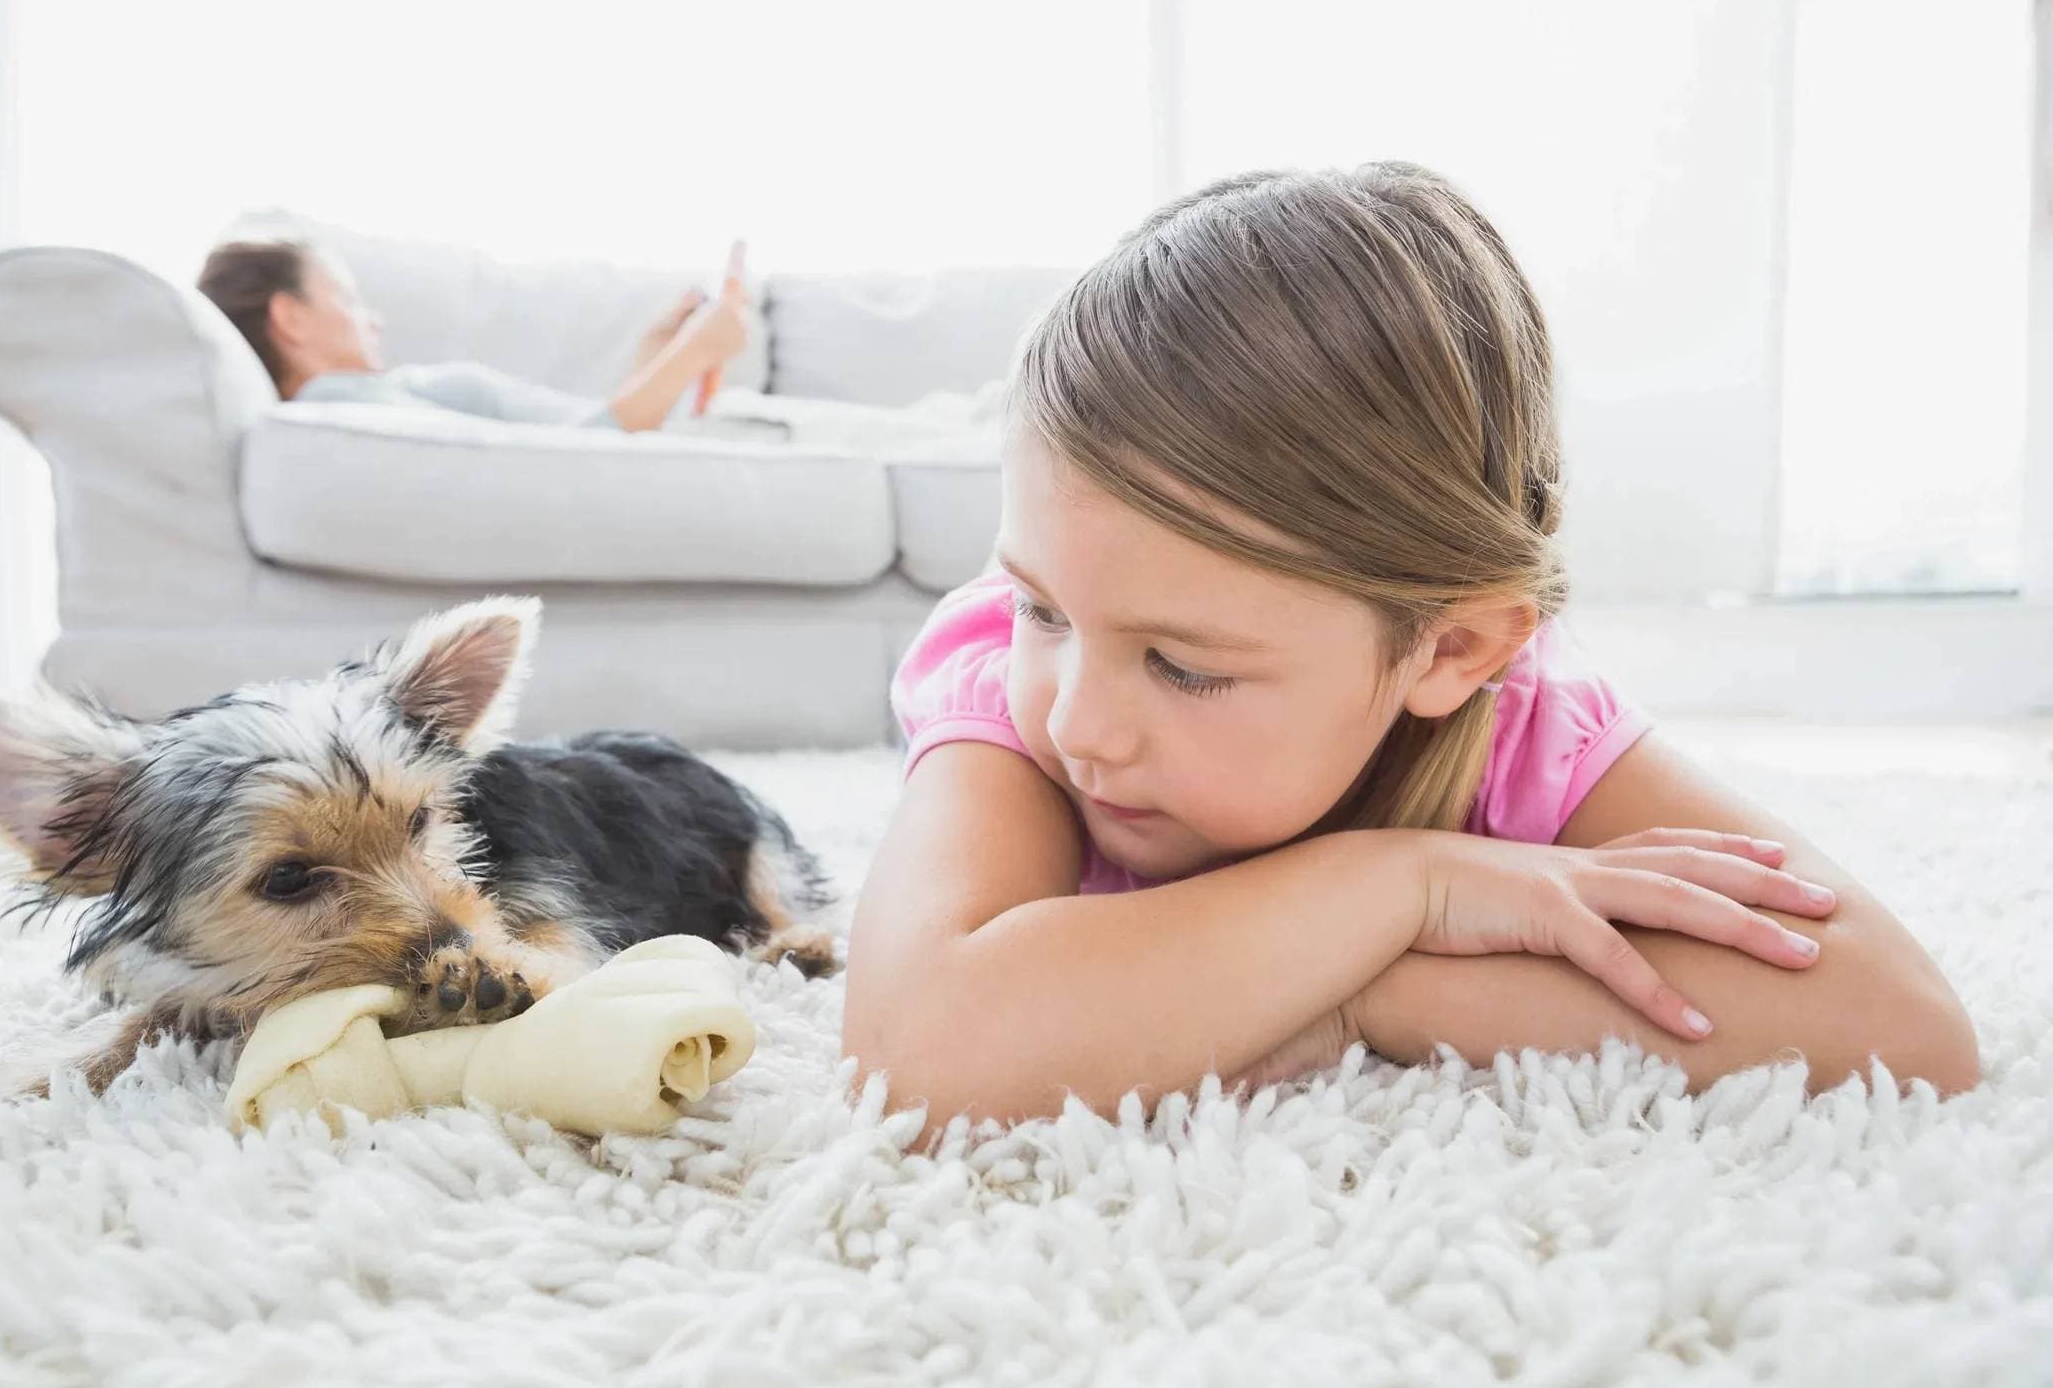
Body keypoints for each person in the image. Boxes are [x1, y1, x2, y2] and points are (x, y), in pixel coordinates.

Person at [844, 163, 1979, 1151]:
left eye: (1184, 668)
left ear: (1452, 648)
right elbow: (917, 1056)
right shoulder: (1008, 693)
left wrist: (1372, 986)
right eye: (1041, 608)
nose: (1075, 720)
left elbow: (1903, 1026)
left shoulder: (1522, 729)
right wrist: (1402, 887)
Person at [195, 236, 1009, 445]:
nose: (371, 318)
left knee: (946, 421)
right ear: (290, 318)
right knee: (945, 424)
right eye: (346, 297)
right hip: (716, 438)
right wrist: (692, 352)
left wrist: (662, 354)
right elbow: (589, 446)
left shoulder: (379, 401)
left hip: (691, 435)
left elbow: (583, 439)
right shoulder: (350, 412)